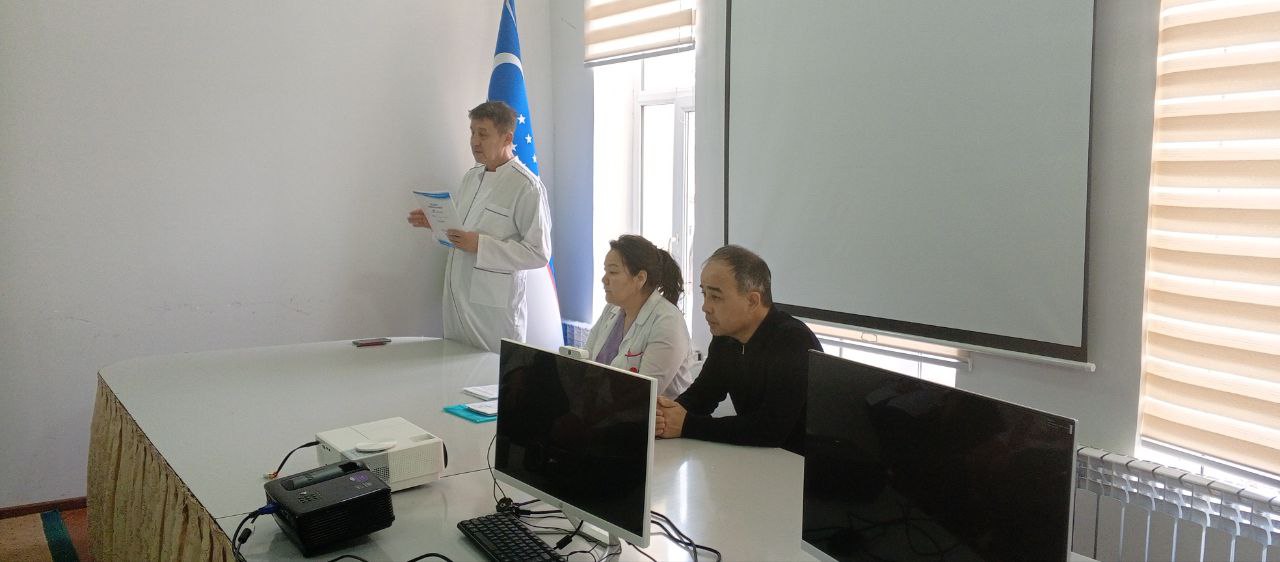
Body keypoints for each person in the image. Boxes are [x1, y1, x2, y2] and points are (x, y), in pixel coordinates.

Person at [407, 101, 551, 353]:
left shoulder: (527, 186)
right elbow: (462, 231)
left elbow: (539, 253)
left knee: (490, 373)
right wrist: (437, 223)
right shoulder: (471, 177)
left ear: (507, 138)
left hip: (493, 315)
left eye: (483, 134)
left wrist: (481, 245)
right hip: (456, 304)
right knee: (455, 368)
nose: (474, 141)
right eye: (472, 132)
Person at [654, 245, 821, 454]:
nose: (705, 307)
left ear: (752, 301)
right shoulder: (725, 338)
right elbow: (703, 395)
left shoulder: (793, 340)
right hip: (757, 458)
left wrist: (687, 425)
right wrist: (665, 415)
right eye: (704, 294)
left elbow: (770, 429)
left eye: (715, 297)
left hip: (801, 463)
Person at [584, 235, 696, 399]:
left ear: (640, 278)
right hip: (606, 408)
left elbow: (641, 396)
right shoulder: (612, 310)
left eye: (613, 272)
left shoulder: (668, 321)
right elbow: (585, 363)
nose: (604, 279)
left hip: (654, 414)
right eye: (605, 271)